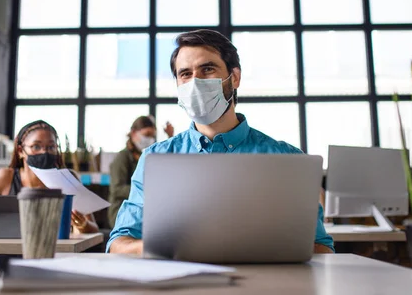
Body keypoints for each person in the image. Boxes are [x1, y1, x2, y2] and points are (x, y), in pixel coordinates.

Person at [108, 29, 334, 255]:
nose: (195, 82)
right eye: (185, 74)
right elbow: (118, 243)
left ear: (234, 78)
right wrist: (165, 247)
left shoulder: (287, 159)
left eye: (207, 69)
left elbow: (322, 247)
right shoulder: (155, 159)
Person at [0, 120, 98, 234]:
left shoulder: (68, 178)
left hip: (57, 254)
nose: (44, 152)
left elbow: (93, 229)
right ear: (20, 151)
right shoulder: (5, 177)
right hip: (8, 255)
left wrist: (82, 225)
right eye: (36, 146)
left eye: (51, 147)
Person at [108, 116, 174, 229]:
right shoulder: (123, 157)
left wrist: (170, 137)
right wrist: (147, 190)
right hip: (122, 211)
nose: (150, 139)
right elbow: (117, 189)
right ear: (133, 133)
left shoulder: (148, 156)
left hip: (143, 209)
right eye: (146, 135)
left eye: (152, 136)